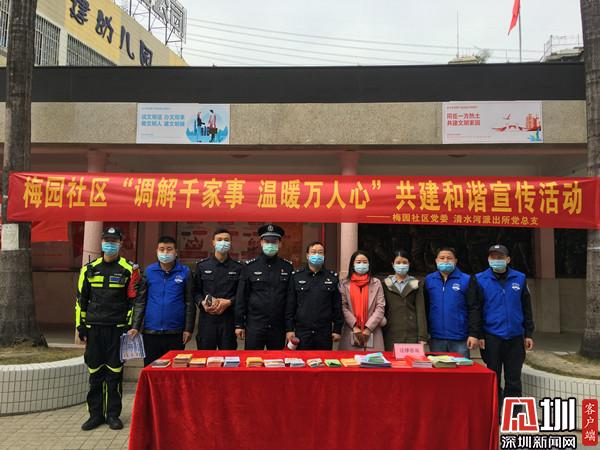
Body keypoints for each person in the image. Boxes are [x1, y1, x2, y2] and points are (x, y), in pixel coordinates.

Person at [75, 227, 141, 431]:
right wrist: (81, 326)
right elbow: (80, 300)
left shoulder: (130, 269)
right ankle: (95, 415)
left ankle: (113, 415)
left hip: (117, 329)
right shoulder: (88, 269)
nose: (110, 244)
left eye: (114, 241)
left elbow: (134, 301)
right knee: (95, 373)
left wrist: (132, 326)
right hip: (94, 329)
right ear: (101, 242)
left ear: (120, 243)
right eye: (106, 240)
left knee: (114, 373)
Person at [476, 244, 534, 407]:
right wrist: (480, 335)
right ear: (488, 259)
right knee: (493, 374)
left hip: (515, 336)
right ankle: (496, 410)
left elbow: (526, 307)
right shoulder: (480, 279)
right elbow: (476, 309)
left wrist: (528, 333)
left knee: (513, 377)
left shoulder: (519, 278)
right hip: (491, 336)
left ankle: (513, 412)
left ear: (508, 260)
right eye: (493, 257)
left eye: (500, 257)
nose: (496, 260)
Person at [130, 236, 195, 367]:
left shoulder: (185, 272)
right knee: (151, 369)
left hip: (175, 332)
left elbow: (189, 302)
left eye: (169, 249)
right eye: (162, 249)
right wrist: (135, 326)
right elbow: (141, 301)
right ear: (157, 251)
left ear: (176, 252)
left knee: (174, 370)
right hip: (151, 331)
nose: (165, 252)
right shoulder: (149, 271)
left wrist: (188, 329)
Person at [235, 224, 293, 350]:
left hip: (278, 326)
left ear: (280, 244)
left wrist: (290, 328)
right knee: (252, 360)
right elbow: (242, 297)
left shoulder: (287, 267)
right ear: (261, 242)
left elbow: (290, 300)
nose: (270, 245)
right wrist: (239, 324)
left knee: (277, 360)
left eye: (274, 242)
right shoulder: (250, 267)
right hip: (255, 325)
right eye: (267, 241)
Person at [423, 247, 480, 358]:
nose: (445, 261)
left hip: (460, 338)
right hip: (436, 337)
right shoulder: (429, 280)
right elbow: (425, 306)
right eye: (442, 258)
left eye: (449, 258)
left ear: (455, 261)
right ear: (436, 260)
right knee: (439, 368)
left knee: (461, 368)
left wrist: (473, 334)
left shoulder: (466, 279)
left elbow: (474, 308)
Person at [285, 241, 343, 350]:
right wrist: (289, 329)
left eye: (320, 252)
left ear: (324, 256)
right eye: (313, 252)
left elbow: (337, 305)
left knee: (324, 360)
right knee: (302, 360)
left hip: (324, 332)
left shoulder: (332, 277)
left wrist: (337, 329)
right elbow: (290, 305)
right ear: (307, 255)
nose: (317, 255)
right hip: (302, 331)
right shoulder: (296, 276)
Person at [193, 228, 242, 350]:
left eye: (226, 240)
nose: (223, 242)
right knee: (205, 357)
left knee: (228, 358)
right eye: (219, 239)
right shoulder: (202, 266)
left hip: (228, 321)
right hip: (207, 320)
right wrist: (201, 302)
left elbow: (242, 294)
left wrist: (229, 302)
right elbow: (195, 291)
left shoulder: (238, 267)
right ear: (213, 243)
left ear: (230, 243)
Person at [338, 250, 386, 351]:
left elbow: (380, 306)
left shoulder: (376, 283)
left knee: (373, 359)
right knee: (350, 360)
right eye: (358, 262)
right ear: (353, 265)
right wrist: (355, 326)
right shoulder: (344, 283)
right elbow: (343, 306)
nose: (362, 265)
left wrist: (368, 328)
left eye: (365, 262)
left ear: (369, 264)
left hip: (373, 330)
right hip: (351, 329)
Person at [381, 249, 428, 351]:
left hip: (412, 334)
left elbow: (421, 311)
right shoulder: (385, 284)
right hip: (390, 333)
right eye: (398, 262)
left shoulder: (416, 284)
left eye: (404, 262)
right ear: (392, 264)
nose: (401, 265)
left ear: (409, 264)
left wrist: (422, 336)